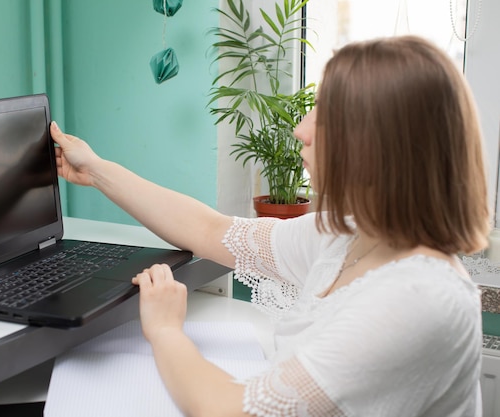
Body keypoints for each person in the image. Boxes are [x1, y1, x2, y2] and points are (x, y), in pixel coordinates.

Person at [50, 35, 488, 417]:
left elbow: (224, 411)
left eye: (324, 113)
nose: (301, 130)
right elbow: (209, 230)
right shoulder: (352, 235)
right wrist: (98, 171)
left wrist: (164, 330)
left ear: (376, 146)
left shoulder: (420, 301)